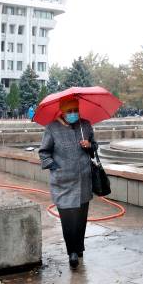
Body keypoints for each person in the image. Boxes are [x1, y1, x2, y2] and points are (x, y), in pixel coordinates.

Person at [38, 98, 96, 270]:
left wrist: (89, 145)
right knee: (68, 220)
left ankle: (79, 248)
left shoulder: (85, 125)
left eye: (75, 110)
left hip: (84, 180)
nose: (73, 114)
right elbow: (44, 153)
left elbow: (94, 148)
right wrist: (56, 168)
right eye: (69, 111)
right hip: (63, 183)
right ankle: (71, 251)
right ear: (62, 112)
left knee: (81, 219)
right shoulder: (52, 128)